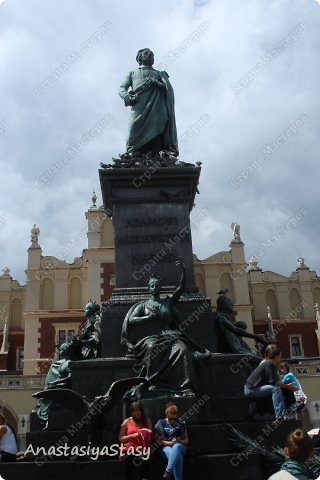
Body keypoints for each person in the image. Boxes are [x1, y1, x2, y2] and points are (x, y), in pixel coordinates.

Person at [121, 259, 209, 398]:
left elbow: (181, 287)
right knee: (151, 348)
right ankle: (154, 384)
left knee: (183, 350)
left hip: (170, 335)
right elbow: (131, 320)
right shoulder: (143, 305)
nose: (155, 287)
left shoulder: (167, 302)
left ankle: (185, 388)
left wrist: (184, 271)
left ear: (160, 287)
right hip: (150, 337)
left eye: (156, 285)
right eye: (152, 285)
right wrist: (148, 318)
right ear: (148, 288)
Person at [37, 300, 101, 423]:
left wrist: (80, 343)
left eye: (87, 308)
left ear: (92, 310)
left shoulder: (96, 322)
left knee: (57, 365)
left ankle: (51, 397)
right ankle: (51, 396)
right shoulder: (89, 323)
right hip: (82, 354)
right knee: (57, 365)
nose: (84, 310)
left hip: (89, 356)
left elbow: (96, 340)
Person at [119, 48, 178, 155]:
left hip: (157, 108)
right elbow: (122, 88)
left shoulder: (159, 74)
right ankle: (133, 153)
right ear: (139, 58)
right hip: (139, 108)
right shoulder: (133, 73)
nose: (150, 55)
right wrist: (126, 96)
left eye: (152, 54)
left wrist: (157, 83)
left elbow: (167, 89)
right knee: (133, 129)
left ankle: (158, 154)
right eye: (147, 53)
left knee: (158, 130)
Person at [244, 345, 299, 419]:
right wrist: (287, 386)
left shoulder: (271, 364)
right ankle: (280, 415)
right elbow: (274, 383)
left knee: (278, 389)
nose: (280, 358)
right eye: (280, 356)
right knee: (275, 389)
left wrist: (287, 387)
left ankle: (285, 413)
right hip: (251, 390)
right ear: (276, 356)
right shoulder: (268, 363)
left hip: (255, 388)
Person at [215, 291, 267, 357]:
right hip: (231, 350)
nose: (232, 305)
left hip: (233, 348)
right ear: (223, 305)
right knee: (254, 358)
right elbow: (235, 330)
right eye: (229, 302)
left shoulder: (223, 317)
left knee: (254, 356)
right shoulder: (221, 317)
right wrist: (255, 336)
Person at [119, 401, 153, 480]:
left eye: (138, 410)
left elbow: (150, 436)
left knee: (145, 457)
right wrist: (133, 436)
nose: (136, 412)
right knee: (127, 459)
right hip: (130, 448)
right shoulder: (127, 422)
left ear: (141, 410)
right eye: (133, 410)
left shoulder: (147, 421)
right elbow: (121, 438)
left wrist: (145, 434)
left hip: (143, 447)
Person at [155, 402, 188, 480]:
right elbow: (159, 441)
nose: (173, 421)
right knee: (178, 456)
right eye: (170, 419)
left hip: (180, 446)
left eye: (174, 418)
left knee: (177, 446)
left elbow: (186, 440)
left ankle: (168, 470)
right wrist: (172, 443)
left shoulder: (181, 423)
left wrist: (179, 441)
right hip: (165, 447)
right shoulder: (160, 423)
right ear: (166, 414)